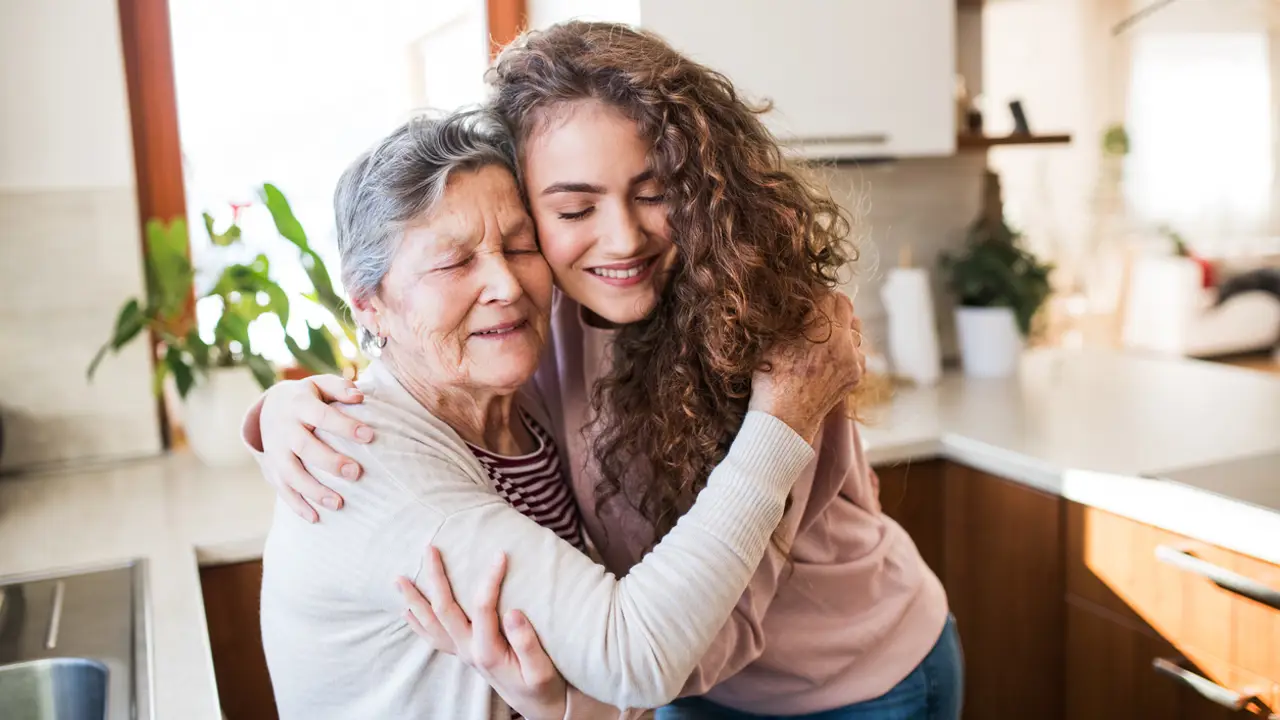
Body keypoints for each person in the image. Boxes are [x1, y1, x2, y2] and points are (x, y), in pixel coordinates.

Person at [245, 21, 963, 720]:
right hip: (669, 679)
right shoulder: (532, 319)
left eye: (653, 193)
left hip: (852, 679)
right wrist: (279, 413)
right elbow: (413, 360)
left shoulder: (769, 336)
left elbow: (701, 636)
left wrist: (575, 702)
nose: (621, 236)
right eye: (574, 207)